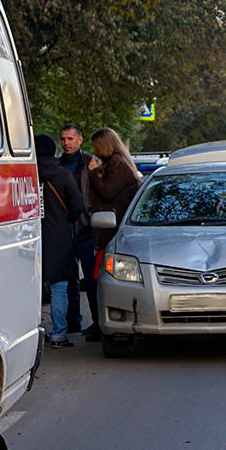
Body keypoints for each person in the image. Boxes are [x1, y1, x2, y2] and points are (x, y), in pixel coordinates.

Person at [35, 133, 86, 348]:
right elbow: (77, 206)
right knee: (59, 289)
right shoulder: (63, 175)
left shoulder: (26, 176)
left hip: (29, 238)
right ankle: (59, 335)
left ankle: (32, 334)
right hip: (59, 238)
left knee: (31, 290)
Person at [86, 127, 141, 322]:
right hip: (106, 230)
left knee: (101, 281)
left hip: (111, 232)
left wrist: (93, 173)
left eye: (97, 146)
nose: (95, 151)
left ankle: (102, 321)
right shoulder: (115, 163)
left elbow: (108, 192)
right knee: (97, 280)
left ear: (105, 145)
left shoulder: (118, 164)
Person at [58, 123, 98, 335]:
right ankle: (73, 321)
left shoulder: (90, 163)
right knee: (68, 280)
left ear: (80, 140)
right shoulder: (58, 166)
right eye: (63, 139)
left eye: (70, 139)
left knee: (92, 280)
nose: (66, 143)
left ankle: (98, 323)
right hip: (64, 231)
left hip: (86, 230)